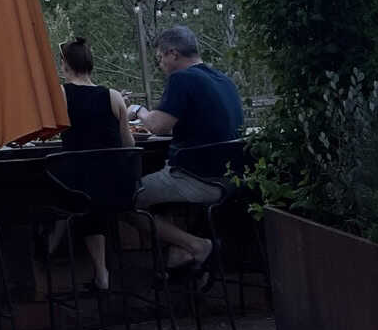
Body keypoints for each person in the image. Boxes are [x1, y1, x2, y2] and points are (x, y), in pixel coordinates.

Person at [130, 25, 242, 283]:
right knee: (160, 195)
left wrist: (137, 110)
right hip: (230, 179)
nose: (160, 64)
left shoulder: (182, 79)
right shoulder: (224, 80)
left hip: (196, 178)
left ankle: (196, 246)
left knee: (123, 201)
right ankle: (179, 257)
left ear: (173, 53)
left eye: (159, 58)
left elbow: (158, 125)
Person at [56, 37, 134, 292]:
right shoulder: (113, 96)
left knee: (62, 199)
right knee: (94, 194)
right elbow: (129, 145)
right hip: (119, 188)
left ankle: (44, 253)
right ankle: (101, 273)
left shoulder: (60, 94)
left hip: (79, 188)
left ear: (65, 65)